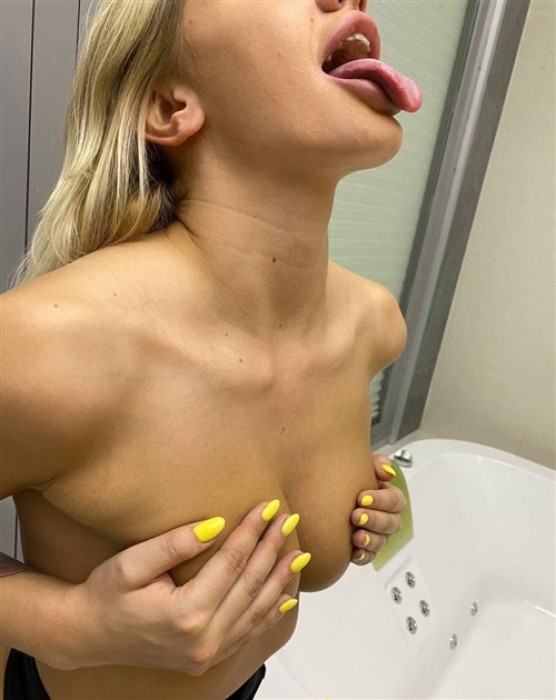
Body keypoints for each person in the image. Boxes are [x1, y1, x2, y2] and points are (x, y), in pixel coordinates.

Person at [0, 0, 421, 697]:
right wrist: (72, 626)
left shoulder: (374, 325)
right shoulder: (49, 348)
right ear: (171, 105)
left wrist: (373, 506)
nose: (350, 2)